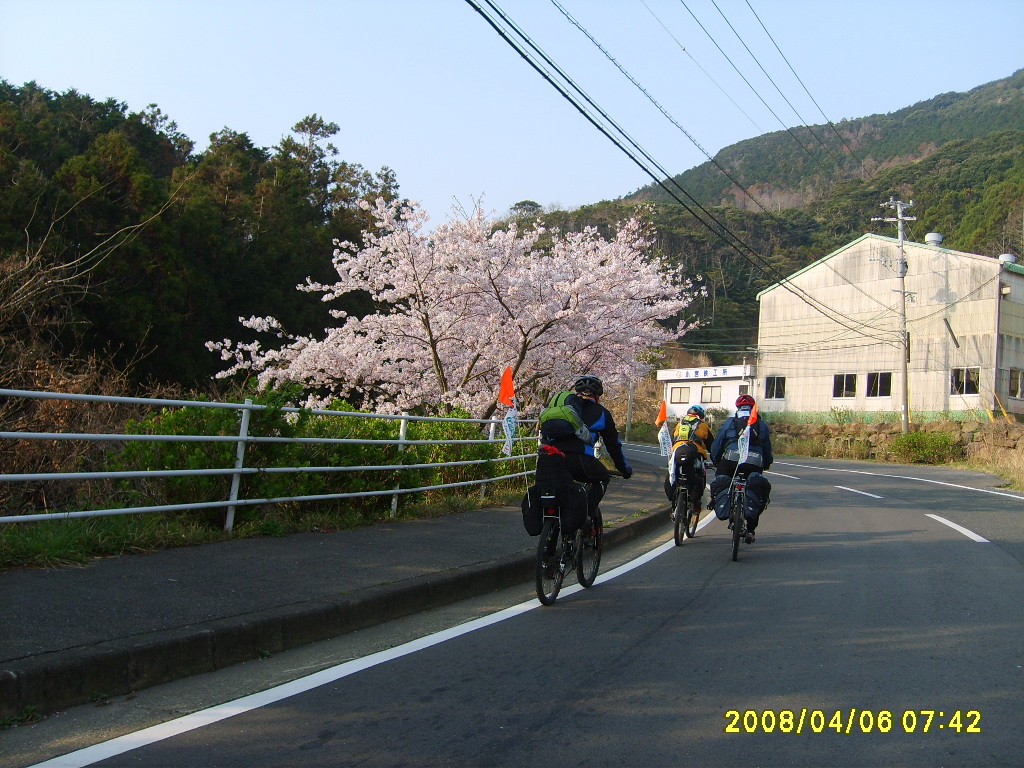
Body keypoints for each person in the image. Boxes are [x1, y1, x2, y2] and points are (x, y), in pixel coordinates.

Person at [537, 375, 632, 528]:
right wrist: (624, 470)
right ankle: (586, 517)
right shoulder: (602, 413)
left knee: (555, 489)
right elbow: (613, 446)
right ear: (597, 395)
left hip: (550, 458)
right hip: (580, 460)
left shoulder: (560, 408)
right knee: (601, 478)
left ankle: (550, 531)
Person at [708, 394, 773, 542]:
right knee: (755, 490)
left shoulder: (730, 422)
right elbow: (767, 448)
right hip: (754, 461)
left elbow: (718, 443)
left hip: (731, 458)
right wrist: (767, 462)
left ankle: (719, 502)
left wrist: (716, 459)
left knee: (722, 480)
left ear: (737, 408)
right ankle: (750, 530)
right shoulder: (761, 424)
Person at [664, 405, 715, 521]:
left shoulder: (680, 424)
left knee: (673, 475)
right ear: (701, 417)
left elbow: (672, 440)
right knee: (700, 475)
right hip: (695, 453)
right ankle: (696, 504)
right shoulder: (703, 425)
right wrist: (716, 460)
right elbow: (712, 446)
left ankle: (674, 504)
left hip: (677, 451)